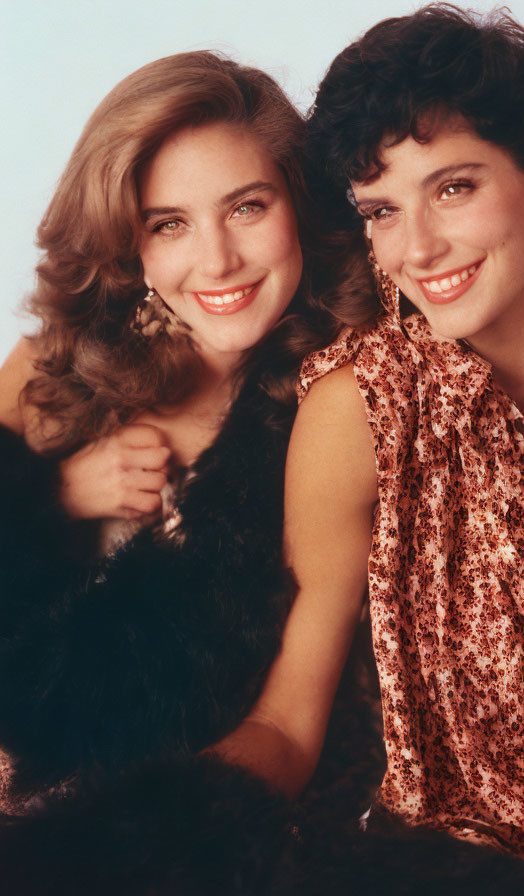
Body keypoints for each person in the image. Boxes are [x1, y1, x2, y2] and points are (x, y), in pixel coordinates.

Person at [209, 6, 524, 896]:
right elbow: (290, 718)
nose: (416, 248)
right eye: (382, 210)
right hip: (467, 873)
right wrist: (129, 836)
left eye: (453, 188)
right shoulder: (360, 408)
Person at [0, 50, 382, 895]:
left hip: (162, 825)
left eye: (247, 207)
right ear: (127, 240)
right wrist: (54, 498)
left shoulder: (338, 404)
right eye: (168, 222)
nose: (216, 261)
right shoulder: (50, 366)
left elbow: (288, 729)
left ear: (301, 205)